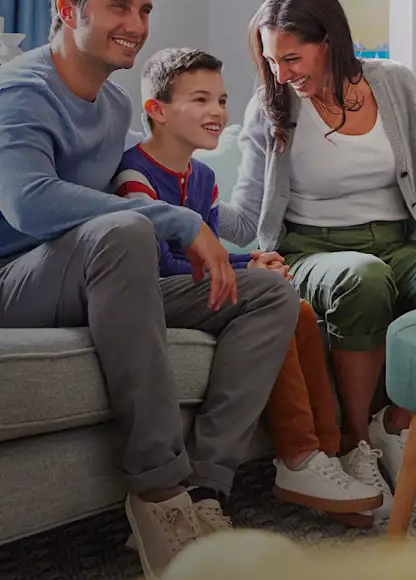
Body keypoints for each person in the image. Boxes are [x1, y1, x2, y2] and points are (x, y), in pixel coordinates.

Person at [0, 0, 300, 580]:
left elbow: (142, 184)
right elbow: (28, 203)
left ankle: (208, 490)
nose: (135, 26)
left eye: (144, 8)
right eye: (118, 7)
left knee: (270, 293)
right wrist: (177, 220)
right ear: (65, 8)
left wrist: (232, 250)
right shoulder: (19, 92)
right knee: (126, 230)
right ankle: (158, 493)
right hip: (13, 280)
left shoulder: (113, 105)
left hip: (99, 273)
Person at [217, 0, 416, 518]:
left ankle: (394, 421)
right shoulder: (270, 106)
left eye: (292, 58)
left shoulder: (395, 85)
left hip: (399, 243)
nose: (282, 74)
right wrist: (173, 209)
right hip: (311, 251)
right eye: (272, 61)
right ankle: (356, 444)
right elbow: (247, 213)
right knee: (361, 276)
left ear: (329, 41)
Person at [114, 47, 382, 525]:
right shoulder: (134, 173)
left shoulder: (202, 177)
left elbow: (205, 249)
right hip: (147, 290)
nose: (218, 112)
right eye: (201, 100)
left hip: (187, 283)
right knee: (272, 295)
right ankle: (300, 456)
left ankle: (324, 454)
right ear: (156, 111)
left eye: (222, 100)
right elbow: (155, 264)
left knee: (296, 309)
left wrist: (250, 259)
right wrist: (244, 271)